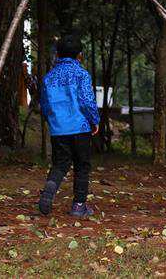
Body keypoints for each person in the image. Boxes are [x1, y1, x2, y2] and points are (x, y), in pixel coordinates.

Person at [37, 35, 99, 218]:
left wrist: (53, 122)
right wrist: (94, 120)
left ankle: (51, 186)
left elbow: (45, 105)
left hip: (59, 129)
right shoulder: (82, 74)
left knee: (60, 164)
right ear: (80, 55)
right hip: (80, 127)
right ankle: (79, 206)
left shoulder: (49, 77)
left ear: (57, 54)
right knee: (81, 166)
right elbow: (87, 101)